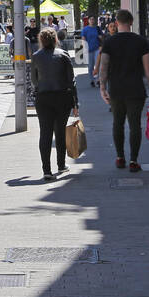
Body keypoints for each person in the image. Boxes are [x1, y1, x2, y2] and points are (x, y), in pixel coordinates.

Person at [97, 9, 149, 173]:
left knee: (118, 123)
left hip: (116, 89)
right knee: (135, 125)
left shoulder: (109, 42)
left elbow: (104, 66)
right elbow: (148, 68)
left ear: (116, 23)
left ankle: (119, 157)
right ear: (131, 22)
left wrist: (103, 87)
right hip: (135, 90)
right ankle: (133, 160)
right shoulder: (141, 42)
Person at [30, 27, 79, 181]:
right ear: (55, 39)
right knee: (60, 131)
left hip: (43, 98)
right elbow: (71, 81)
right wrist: (75, 103)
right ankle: (61, 164)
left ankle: (46, 170)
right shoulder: (63, 55)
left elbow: (34, 80)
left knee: (45, 133)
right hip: (62, 97)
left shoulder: (36, 56)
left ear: (41, 40)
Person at [81, 17, 102, 87]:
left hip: (97, 49)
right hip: (89, 50)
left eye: (93, 19)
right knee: (90, 66)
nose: (92, 21)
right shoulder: (85, 29)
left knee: (97, 65)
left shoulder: (97, 28)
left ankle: (98, 80)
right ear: (88, 21)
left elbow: (101, 37)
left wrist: (100, 37)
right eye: (91, 19)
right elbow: (83, 39)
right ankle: (92, 80)